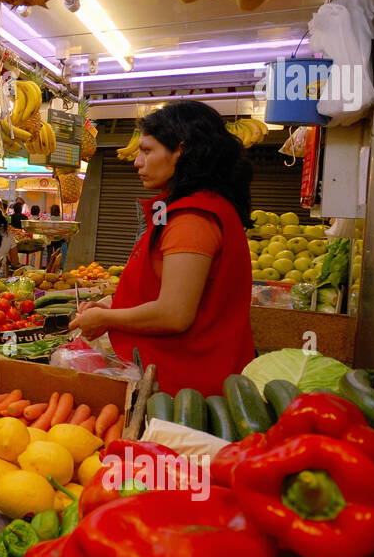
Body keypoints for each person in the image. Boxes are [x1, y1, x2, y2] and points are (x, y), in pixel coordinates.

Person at [68, 99, 254, 398]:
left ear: (180, 150)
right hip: (185, 378)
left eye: (147, 150)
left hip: (186, 388)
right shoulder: (197, 207)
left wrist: (105, 319)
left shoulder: (192, 219)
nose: (137, 161)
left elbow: (173, 314)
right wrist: (111, 307)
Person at [45, 203, 67, 270]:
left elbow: (46, 230)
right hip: (59, 240)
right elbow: (64, 231)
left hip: (50, 240)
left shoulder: (49, 219)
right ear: (58, 211)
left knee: (50, 255)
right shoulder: (61, 220)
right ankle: (56, 268)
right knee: (58, 256)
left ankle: (48, 268)